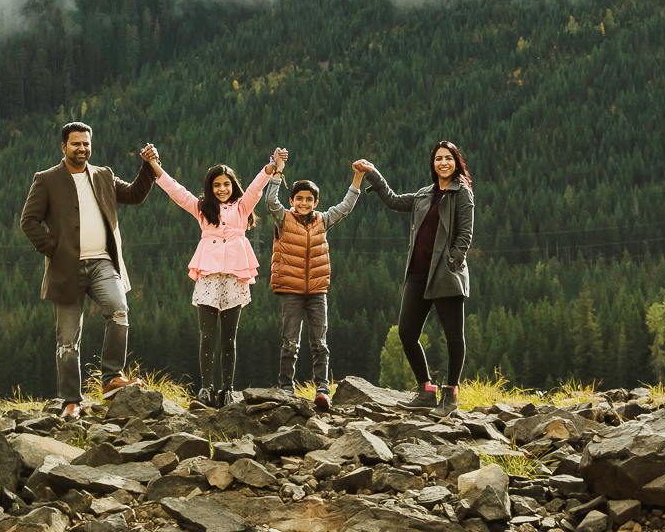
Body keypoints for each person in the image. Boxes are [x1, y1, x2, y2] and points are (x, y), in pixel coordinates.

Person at [19, 121, 159, 419]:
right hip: (65, 270)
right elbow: (28, 221)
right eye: (75, 143)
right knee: (68, 340)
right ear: (63, 147)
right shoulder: (46, 180)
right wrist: (54, 249)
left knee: (119, 309)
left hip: (102, 263)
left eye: (86, 143)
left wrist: (148, 168)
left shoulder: (103, 175)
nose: (81, 148)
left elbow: (135, 195)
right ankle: (71, 401)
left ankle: (110, 379)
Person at [141, 141, 280, 406]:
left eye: (226, 184)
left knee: (229, 338)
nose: (222, 189)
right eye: (216, 185)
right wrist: (153, 165)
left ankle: (227, 389)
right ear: (210, 188)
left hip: (234, 276)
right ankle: (206, 388)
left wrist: (271, 167)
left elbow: (255, 188)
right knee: (207, 337)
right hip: (208, 276)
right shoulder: (202, 209)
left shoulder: (242, 208)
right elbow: (176, 191)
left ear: (232, 185)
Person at [357, 139, 474, 413]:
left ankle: (451, 395)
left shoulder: (462, 193)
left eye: (448, 158)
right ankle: (426, 390)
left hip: (446, 274)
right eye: (438, 159)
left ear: (456, 162)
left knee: (453, 337)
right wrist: (372, 172)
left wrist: (452, 261)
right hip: (417, 273)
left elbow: (465, 235)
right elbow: (394, 201)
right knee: (407, 332)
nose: (443, 162)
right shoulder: (424, 194)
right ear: (433, 164)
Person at [261, 150, 365, 410]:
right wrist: (278, 171)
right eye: (299, 199)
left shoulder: (323, 221)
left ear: (315, 202)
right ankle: (286, 387)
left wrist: (358, 177)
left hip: (317, 291)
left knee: (320, 343)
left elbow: (345, 207)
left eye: (309, 199)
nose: (304, 203)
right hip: (292, 291)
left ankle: (322, 390)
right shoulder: (283, 218)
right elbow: (270, 201)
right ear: (292, 200)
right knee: (290, 343)